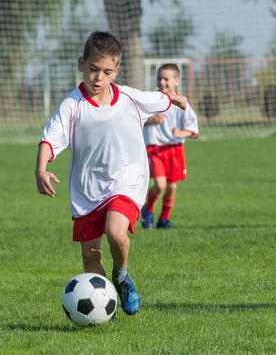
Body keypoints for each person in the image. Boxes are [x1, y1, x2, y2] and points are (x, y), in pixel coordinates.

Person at [35, 31, 187, 316]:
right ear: (82, 64)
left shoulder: (129, 97)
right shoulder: (72, 105)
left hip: (126, 182)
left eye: (106, 72)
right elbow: (49, 138)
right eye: (93, 69)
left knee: (115, 233)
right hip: (88, 190)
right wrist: (40, 169)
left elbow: (160, 99)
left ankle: (121, 276)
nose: (98, 78)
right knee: (91, 258)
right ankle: (105, 307)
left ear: (116, 71)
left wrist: (175, 99)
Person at [140, 63, 199, 230]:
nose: (162, 83)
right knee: (160, 185)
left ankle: (164, 219)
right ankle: (148, 209)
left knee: (172, 186)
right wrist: (151, 120)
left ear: (176, 81)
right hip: (156, 148)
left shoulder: (182, 103)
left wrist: (182, 133)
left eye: (166, 79)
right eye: (159, 79)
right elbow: (137, 119)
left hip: (175, 150)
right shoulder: (151, 101)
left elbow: (193, 128)